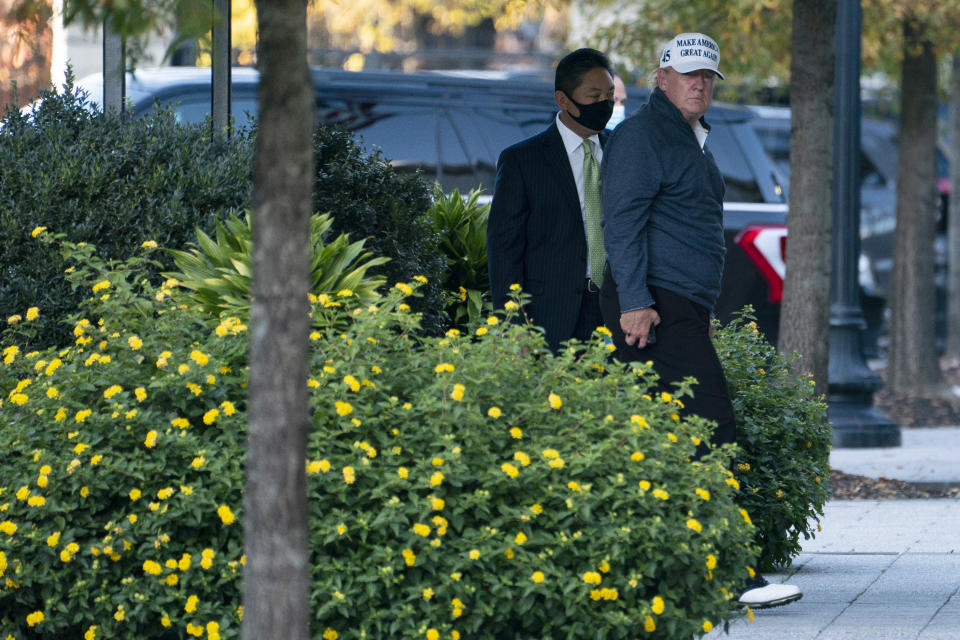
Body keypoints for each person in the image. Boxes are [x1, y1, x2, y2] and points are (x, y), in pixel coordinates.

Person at [599, 32, 803, 610]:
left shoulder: (688, 138)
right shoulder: (643, 136)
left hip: (676, 305)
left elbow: (684, 229)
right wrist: (638, 301)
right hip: (651, 305)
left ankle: (673, 570)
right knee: (711, 426)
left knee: (672, 434)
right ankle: (732, 573)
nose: (700, 84)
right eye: (688, 73)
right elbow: (623, 223)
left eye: (708, 76)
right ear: (660, 77)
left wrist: (699, 308)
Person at [487, 48, 615, 352]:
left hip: (614, 310)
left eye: (609, 94)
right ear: (563, 100)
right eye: (593, 95)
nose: (604, 104)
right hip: (547, 315)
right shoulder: (523, 160)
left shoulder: (622, 150)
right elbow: (504, 250)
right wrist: (514, 324)